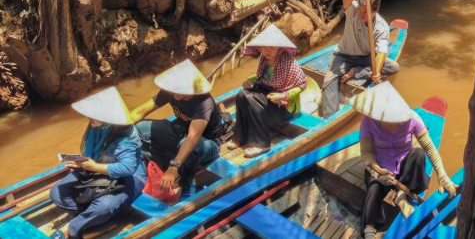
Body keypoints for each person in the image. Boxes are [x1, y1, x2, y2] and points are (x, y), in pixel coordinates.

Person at [353, 82, 457, 239]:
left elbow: (429, 148)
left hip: (404, 166)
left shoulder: (412, 119)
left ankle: (402, 195)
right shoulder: (368, 123)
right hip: (380, 167)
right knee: (374, 187)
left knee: (418, 154)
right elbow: (366, 153)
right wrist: (378, 171)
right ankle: (369, 228)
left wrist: (442, 175)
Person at [49, 87, 146, 239]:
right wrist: (80, 162)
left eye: (93, 118)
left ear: (108, 118)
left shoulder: (125, 138)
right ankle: (96, 220)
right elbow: (91, 153)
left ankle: (73, 229)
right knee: (57, 193)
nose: (90, 121)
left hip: (129, 177)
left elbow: (127, 168)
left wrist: (94, 167)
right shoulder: (98, 127)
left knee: (104, 205)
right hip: (97, 168)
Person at [130, 59, 230, 195]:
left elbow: (193, 137)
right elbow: (139, 112)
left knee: (186, 145)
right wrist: (116, 128)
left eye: (180, 89)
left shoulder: (204, 102)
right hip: (181, 132)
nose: (175, 93)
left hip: (207, 142)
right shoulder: (170, 91)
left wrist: (173, 167)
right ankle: (145, 164)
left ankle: (182, 186)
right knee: (141, 128)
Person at [226, 24, 321, 158]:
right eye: (264, 47)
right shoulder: (264, 60)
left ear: (279, 47)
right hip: (267, 95)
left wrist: (283, 95)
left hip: (285, 106)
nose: (266, 50)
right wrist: (251, 81)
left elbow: (302, 85)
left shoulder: (290, 64)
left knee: (252, 99)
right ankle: (240, 136)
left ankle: (261, 144)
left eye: (271, 47)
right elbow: (263, 79)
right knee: (242, 95)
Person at [321, 0, 399, 118]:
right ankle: (329, 117)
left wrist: (376, 73)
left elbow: (381, 52)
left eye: (366, 12)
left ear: (375, 11)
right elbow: (346, 1)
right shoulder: (354, 10)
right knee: (329, 81)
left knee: (393, 66)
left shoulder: (381, 27)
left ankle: (356, 71)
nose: (362, 15)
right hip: (344, 56)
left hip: (365, 58)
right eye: (361, 11)